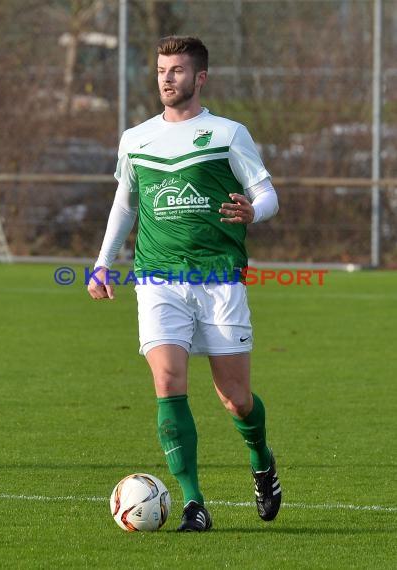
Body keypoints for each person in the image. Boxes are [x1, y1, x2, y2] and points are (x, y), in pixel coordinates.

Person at [88, 35, 281, 532]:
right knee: (169, 382)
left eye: (176, 70)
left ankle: (261, 458)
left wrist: (253, 210)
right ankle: (195, 503)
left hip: (219, 278)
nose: (166, 79)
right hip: (158, 278)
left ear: (200, 78)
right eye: (160, 70)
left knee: (236, 398)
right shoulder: (136, 138)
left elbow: (267, 193)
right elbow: (125, 203)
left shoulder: (228, 133)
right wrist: (103, 262)